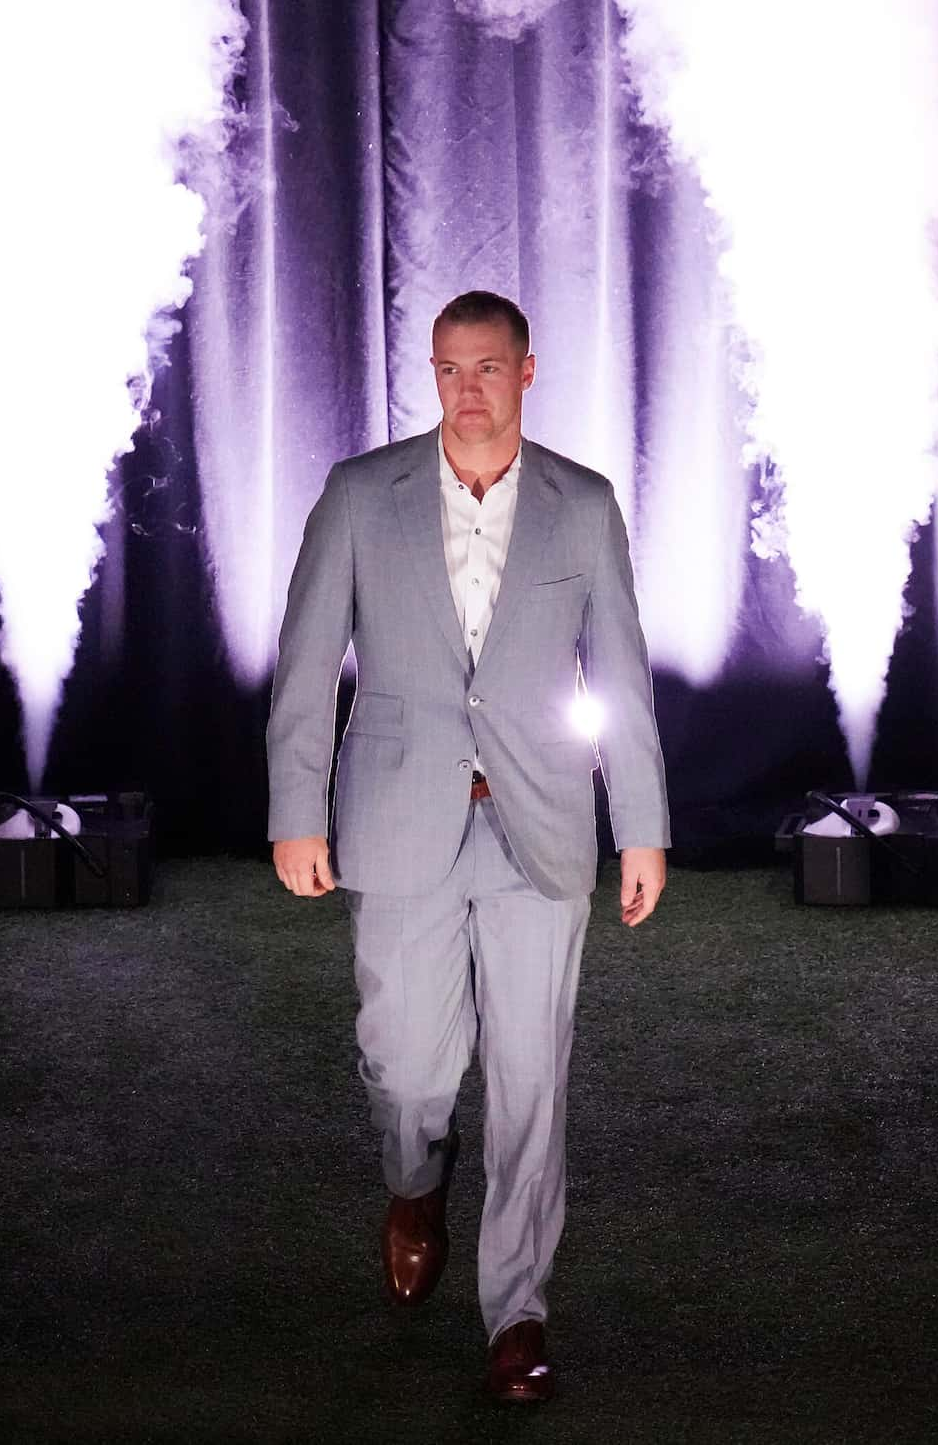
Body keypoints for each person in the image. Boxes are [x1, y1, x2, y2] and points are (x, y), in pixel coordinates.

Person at [266, 288, 671, 1405]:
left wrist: (640, 827)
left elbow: (622, 678)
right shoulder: (361, 495)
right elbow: (308, 664)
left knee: (532, 1079)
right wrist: (296, 808)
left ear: (527, 373)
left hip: (541, 825)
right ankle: (413, 1184)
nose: (467, 389)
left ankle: (518, 1312)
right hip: (398, 824)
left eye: (488, 367)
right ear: (432, 373)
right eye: (449, 368)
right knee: (408, 1071)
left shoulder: (581, 505)